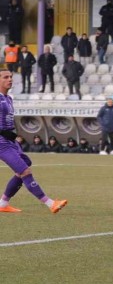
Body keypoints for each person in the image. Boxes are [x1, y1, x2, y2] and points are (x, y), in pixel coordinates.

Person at [0, 68, 67, 213]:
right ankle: (50, 204)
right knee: (25, 171)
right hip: (1, 142)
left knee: (25, 165)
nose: (10, 79)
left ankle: (3, 203)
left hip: (10, 140)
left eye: (10, 76)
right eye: (5, 77)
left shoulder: (8, 98)